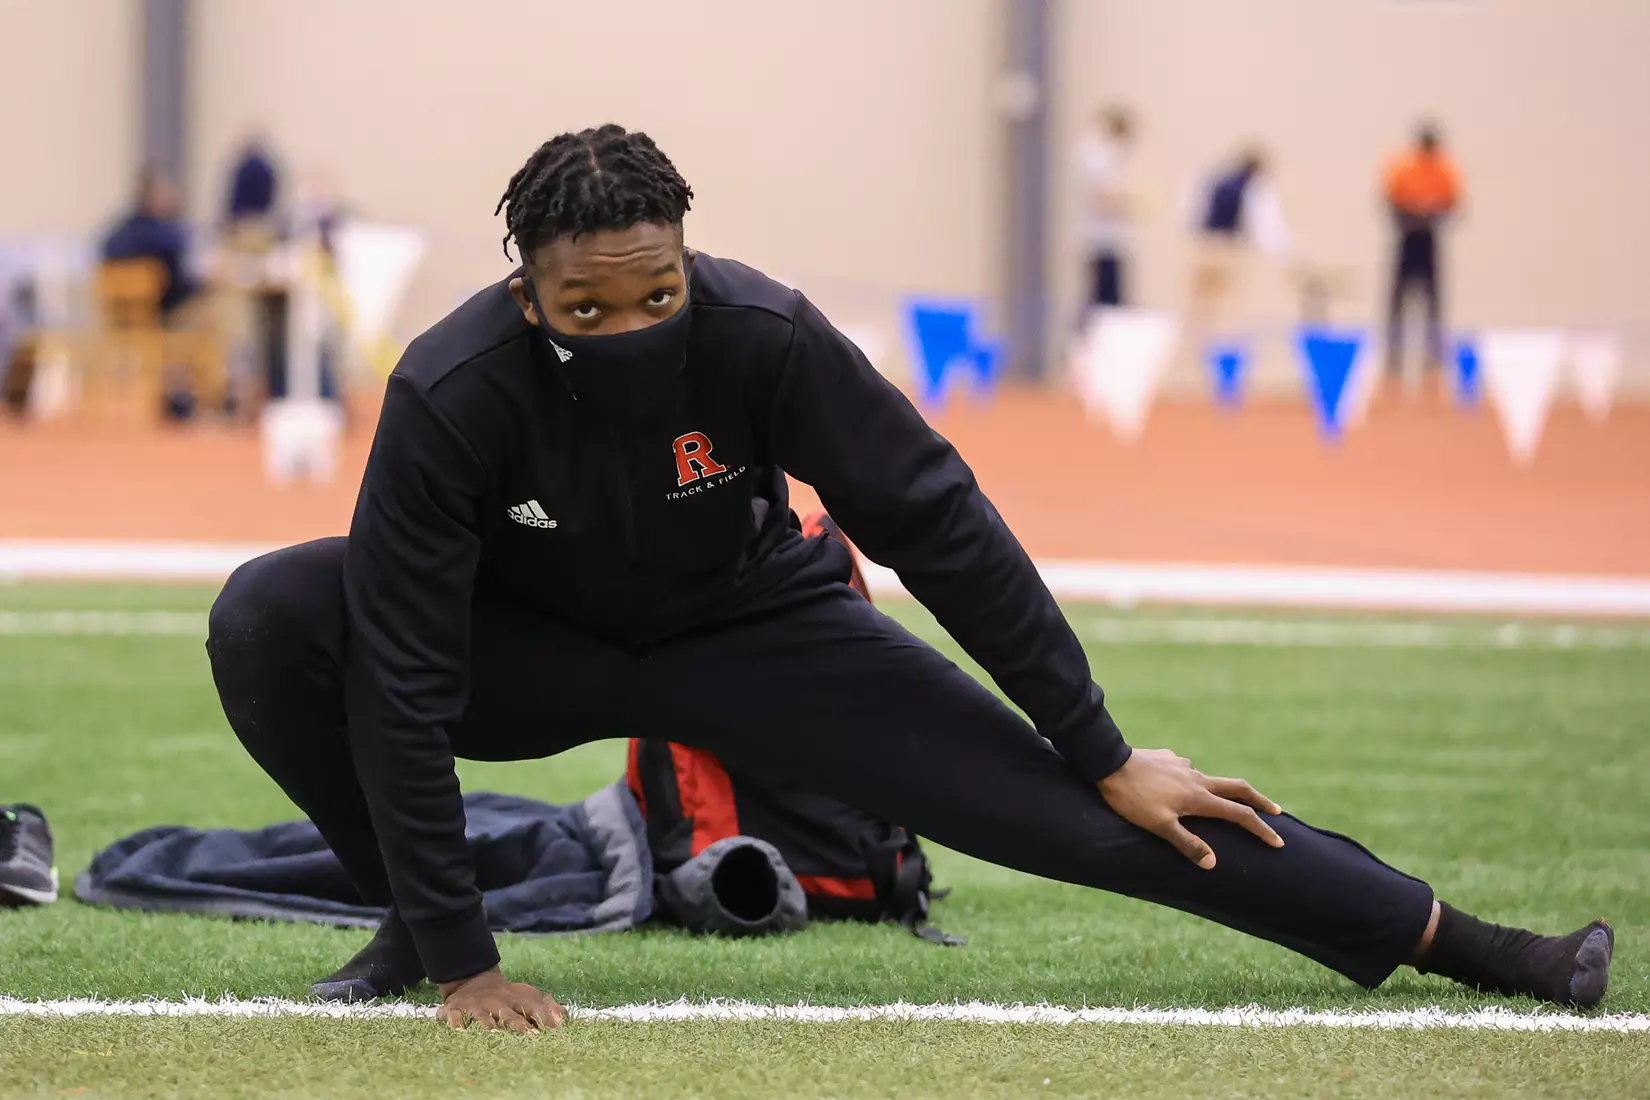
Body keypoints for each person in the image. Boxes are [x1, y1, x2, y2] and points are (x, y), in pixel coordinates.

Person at [205, 124, 1614, 1032]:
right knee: (270, 617)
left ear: (689, 265)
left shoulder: (761, 334)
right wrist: (464, 958)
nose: (627, 326)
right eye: (585, 310)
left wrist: (1102, 745)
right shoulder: (452, 391)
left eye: (655, 296)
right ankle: (400, 916)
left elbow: (938, 524)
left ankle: (1483, 947)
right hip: (531, 645)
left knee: (1091, 818)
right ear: (525, 296)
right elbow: (398, 671)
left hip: (755, 631)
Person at [1383, 122, 1463, 396]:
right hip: (1408, 236)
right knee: (1397, 302)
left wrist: (1431, 212)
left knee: (1433, 303)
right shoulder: (1404, 167)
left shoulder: (1444, 169)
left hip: (1429, 238)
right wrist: (1413, 213)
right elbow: (1389, 200)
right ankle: (1393, 361)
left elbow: (1454, 203)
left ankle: (1433, 363)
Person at [102, 169, 200, 321]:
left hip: (121, 319)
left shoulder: (119, 232)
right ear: (152, 197)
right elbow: (181, 272)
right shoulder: (162, 235)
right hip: (162, 313)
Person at [1075, 106, 1135, 310]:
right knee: (1105, 300)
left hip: (1110, 238)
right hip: (1102, 239)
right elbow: (1103, 196)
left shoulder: (1105, 156)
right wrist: (1129, 204)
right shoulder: (1097, 156)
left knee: (1109, 297)